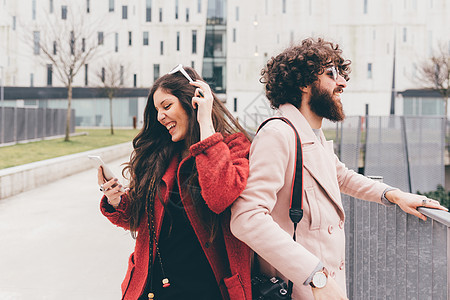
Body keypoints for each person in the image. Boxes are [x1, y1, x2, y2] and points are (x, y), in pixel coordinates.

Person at [229, 38, 448, 300]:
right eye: (331, 74)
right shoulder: (278, 133)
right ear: (303, 83)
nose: (342, 83)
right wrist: (315, 275)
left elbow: (340, 175)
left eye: (341, 74)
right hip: (301, 288)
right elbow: (247, 218)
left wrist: (394, 195)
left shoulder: (311, 134)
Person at [97, 66, 252, 300]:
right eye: (157, 110)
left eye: (166, 106)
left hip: (208, 290)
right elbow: (140, 219)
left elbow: (220, 197)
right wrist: (116, 199)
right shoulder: (161, 155)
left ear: (194, 102)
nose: (160, 116)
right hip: (152, 289)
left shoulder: (235, 147)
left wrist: (206, 127)